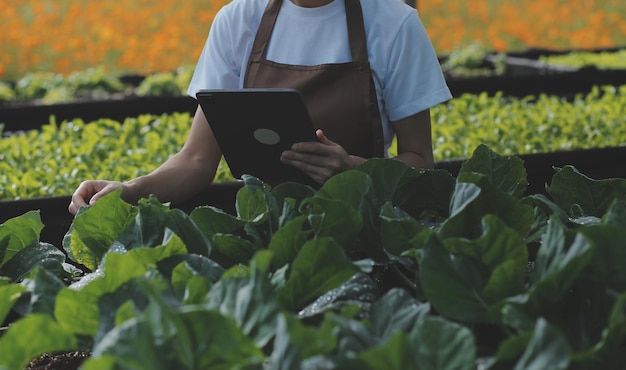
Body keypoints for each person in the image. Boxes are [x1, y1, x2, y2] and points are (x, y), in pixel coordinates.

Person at [68, 0, 452, 215]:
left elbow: (420, 164)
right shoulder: (238, 21)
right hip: (264, 229)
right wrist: (129, 190)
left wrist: (352, 169)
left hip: (367, 229)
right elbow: (197, 160)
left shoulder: (395, 23)